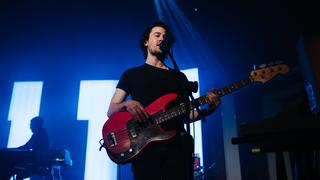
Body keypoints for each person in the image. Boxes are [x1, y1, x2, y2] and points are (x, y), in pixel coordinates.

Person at [107, 21, 220, 180]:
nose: (161, 38)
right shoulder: (131, 74)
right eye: (157, 35)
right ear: (146, 41)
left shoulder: (178, 77)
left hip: (176, 149)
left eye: (165, 37)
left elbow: (185, 115)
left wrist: (209, 109)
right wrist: (127, 104)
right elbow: (111, 110)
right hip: (144, 148)